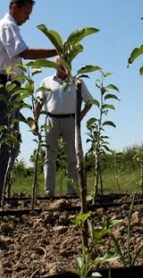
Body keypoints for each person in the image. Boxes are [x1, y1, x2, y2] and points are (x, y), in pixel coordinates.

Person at [0, 0, 57, 200]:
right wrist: (57, 50)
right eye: (26, 12)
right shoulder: (7, 26)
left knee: (13, 142)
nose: (27, 18)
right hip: (3, 87)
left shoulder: (11, 27)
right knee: (5, 142)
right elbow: (23, 52)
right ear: (14, 7)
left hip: (10, 89)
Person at [33, 57, 93, 197]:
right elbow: (38, 104)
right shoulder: (46, 82)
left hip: (70, 121)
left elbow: (89, 101)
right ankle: (49, 191)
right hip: (51, 120)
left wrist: (81, 116)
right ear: (55, 65)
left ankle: (72, 191)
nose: (63, 66)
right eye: (60, 64)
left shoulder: (76, 82)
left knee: (72, 157)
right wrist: (35, 121)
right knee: (49, 157)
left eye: (66, 63)